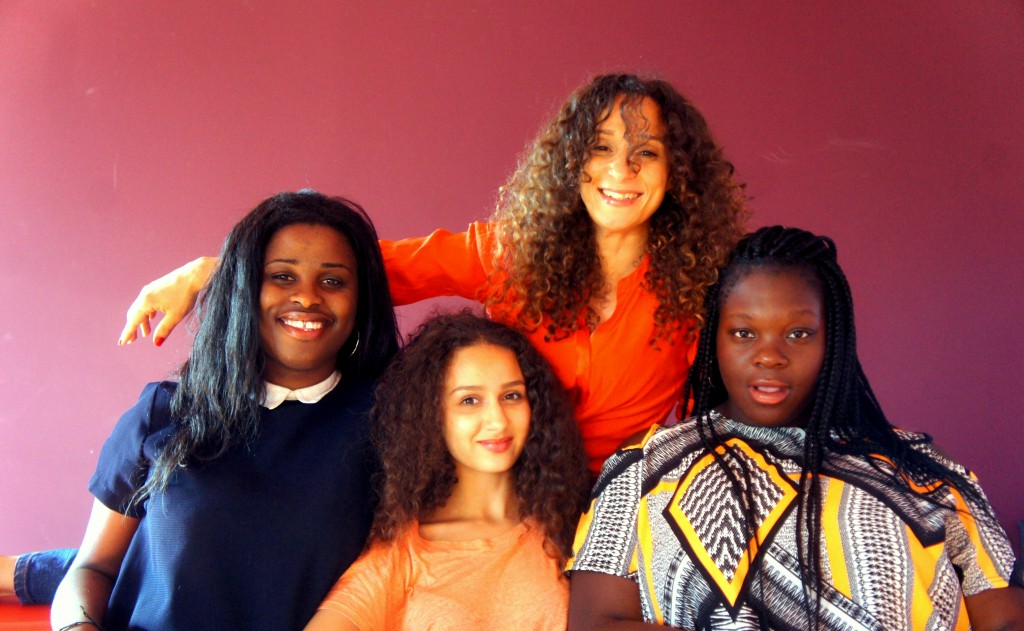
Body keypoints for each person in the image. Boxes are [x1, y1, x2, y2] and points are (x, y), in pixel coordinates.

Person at [113, 73, 747, 473]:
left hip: (620, 503)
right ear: (570, 164)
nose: (620, 171)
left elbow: (722, 405)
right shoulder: (510, 252)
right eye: (601, 148)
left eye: (645, 154)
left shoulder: (704, 283)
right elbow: (363, 269)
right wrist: (212, 271)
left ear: (676, 173)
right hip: (500, 484)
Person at [566, 226, 1024, 631]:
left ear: (834, 341)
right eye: (744, 332)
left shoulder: (924, 472)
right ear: (713, 338)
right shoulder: (645, 466)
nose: (769, 356)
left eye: (799, 333)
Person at [33, 190, 400, 631]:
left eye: (333, 281)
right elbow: (94, 567)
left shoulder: (392, 428)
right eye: (282, 276)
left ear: (361, 301)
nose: (308, 297)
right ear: (245, 289)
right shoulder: (164, 412)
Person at [277, 311, 590, 631]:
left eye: (511, 395)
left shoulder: (571, 524)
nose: (497, 420)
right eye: (469, 400)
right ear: (432, 415)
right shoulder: (398, 556)